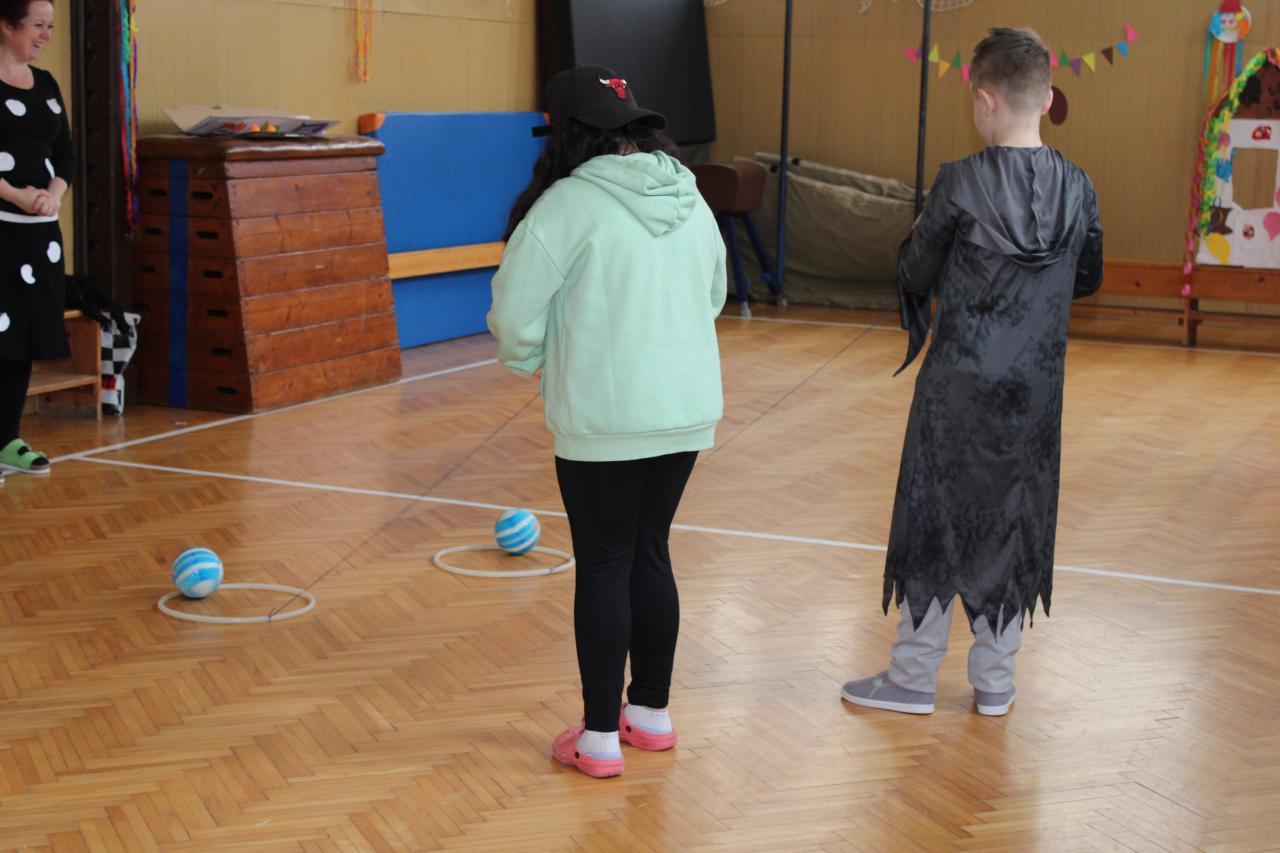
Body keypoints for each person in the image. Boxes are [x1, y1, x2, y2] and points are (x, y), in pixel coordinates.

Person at [841, 27, 1104, 717]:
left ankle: (912, 676)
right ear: (1047, 98)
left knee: (935, 516)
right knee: (1015, 517)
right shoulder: (1079, 186)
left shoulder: (960, 182)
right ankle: (995, 681)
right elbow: (1088, 276)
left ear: (986, 100)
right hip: (1035, 393)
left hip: (958, 386)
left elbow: (913, 271)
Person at [488, 65, 726, 778]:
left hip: (603, 422)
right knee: (650, 552)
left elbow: (513, 317)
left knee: (604, 563)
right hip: (684, 414)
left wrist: (535, 359)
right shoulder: (689, 193)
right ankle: (649, 714)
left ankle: (597, 739)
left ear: (563, 134)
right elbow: (713, 294)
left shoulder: (565, 205)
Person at [0, 0, 71, 478]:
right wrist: (15, 195)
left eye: (50, 26)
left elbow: (65, 152)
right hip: (2, 229)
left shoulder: (45, 84)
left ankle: (6, 438)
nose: (46, 34)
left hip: (38, 235)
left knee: (21, 336)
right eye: (38, 25)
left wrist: (53, 195)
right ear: (7, 25)